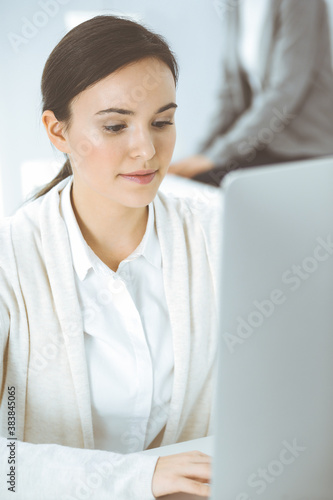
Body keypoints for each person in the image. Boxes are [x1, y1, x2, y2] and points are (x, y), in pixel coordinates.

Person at [0, 15, 221, 500]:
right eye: (116, 125)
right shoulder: (12, 259)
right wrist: (139, 480)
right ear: (58, 133)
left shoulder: (216, 236)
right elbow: (6, 465)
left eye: (162, 122)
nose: (147, 149)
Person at [169, 0, 333, 186]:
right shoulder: (236, 6)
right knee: (186, 180)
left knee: (206, 182)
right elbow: (230, 93)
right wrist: (201, 153)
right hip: (262, 145)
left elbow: (284, 93)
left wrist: (217, 156)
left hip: (303, 148)